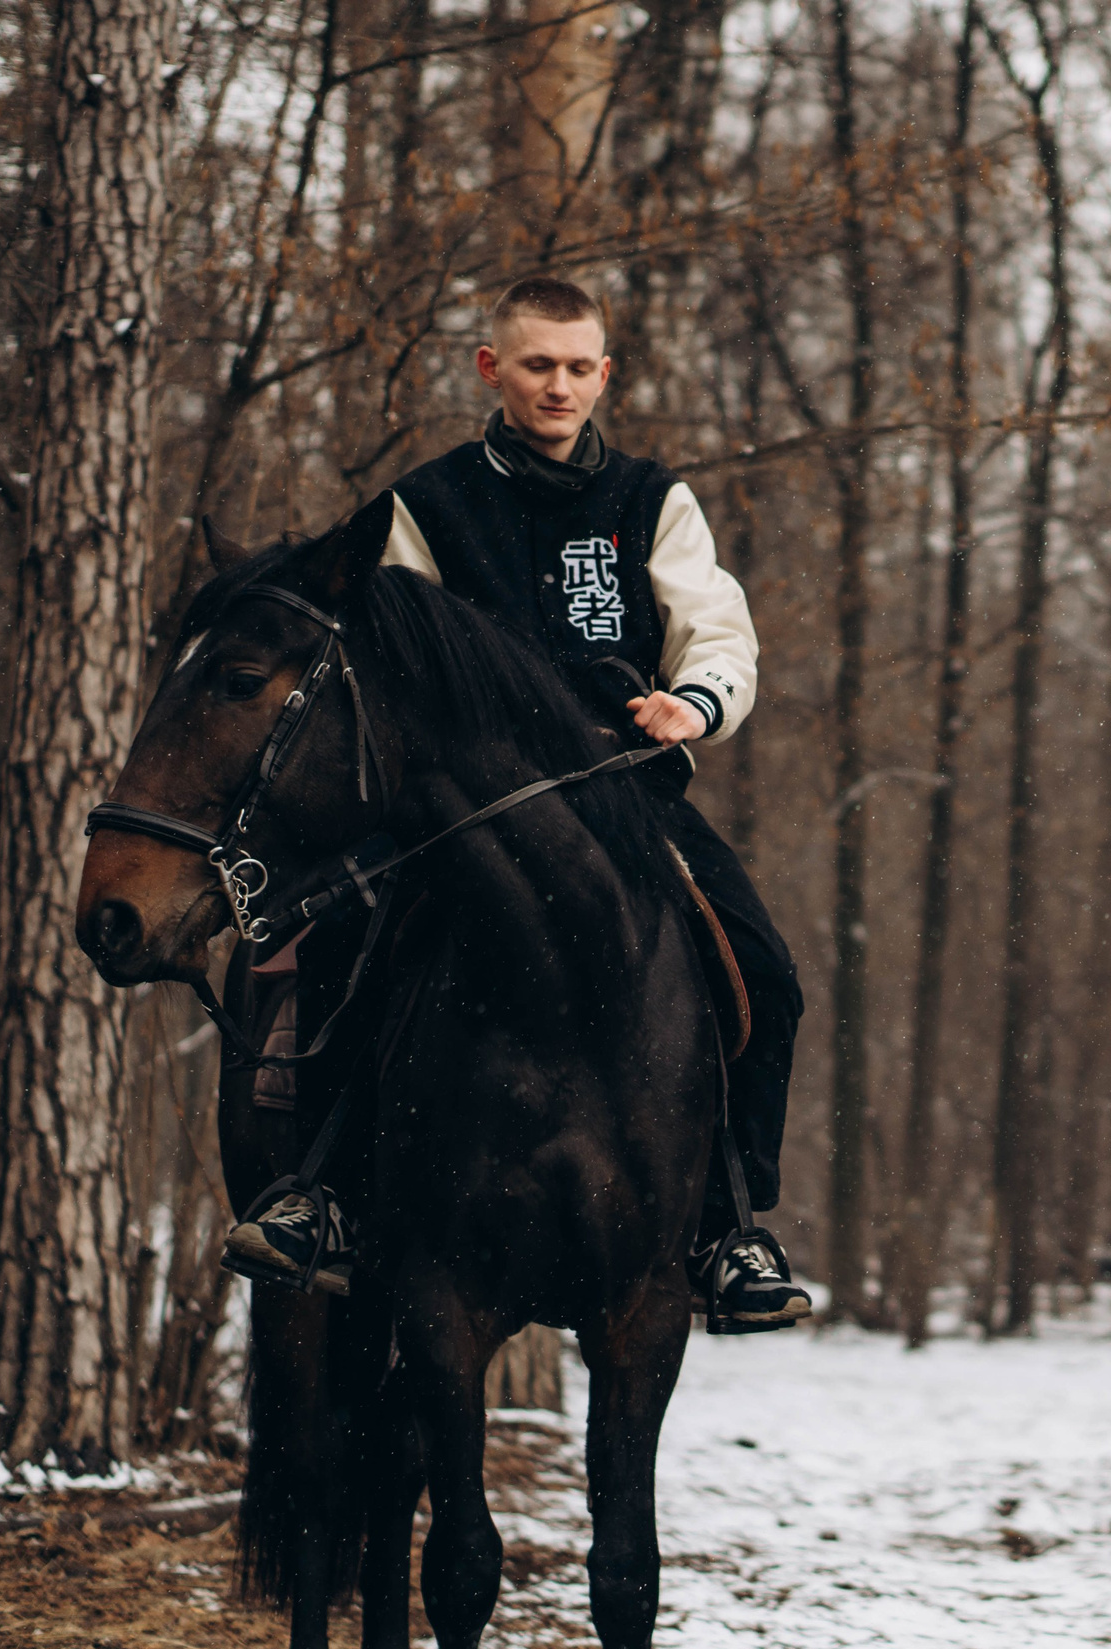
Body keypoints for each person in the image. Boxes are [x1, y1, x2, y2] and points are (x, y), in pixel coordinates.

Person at [223, 275, 811, 1328]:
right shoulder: (425, 503)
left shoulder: (650, 500)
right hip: (460, 819)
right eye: (538, 365)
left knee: (764, 970)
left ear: (605, 373)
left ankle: (729, 1226)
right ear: (493, 369)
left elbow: (717, 629)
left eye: (580, 367)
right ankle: (324, 1195)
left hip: (626, 798)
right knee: (340, 947)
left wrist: (694, 702)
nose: (560, 386)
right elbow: (381, 655)